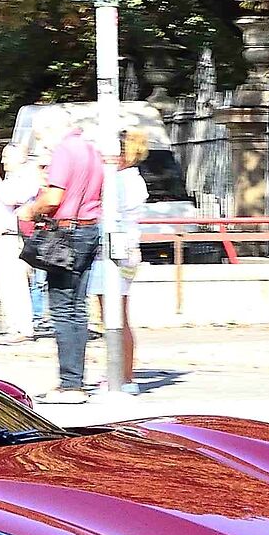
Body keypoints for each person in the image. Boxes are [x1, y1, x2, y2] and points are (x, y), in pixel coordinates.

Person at [20, 111, 105, 404]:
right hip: (90, 230)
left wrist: (29, 210)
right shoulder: (92, 150)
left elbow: (54, 198)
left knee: (62, 309)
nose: (44, 144)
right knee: (78, 308)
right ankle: (75, 380)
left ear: (52, 129)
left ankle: (70, 385)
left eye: (42, 137)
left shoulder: (65, 152)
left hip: (66, 234)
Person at [91, 128, 152, 375]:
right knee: (114, 316)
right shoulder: (132, 179)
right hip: (126, 248)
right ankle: (121, 373)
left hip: (116, 249)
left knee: (115, 317)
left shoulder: (121, 181)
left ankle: (123, 375)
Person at [0, 142, 41, 340]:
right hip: (1, 238)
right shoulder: (10, 180)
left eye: (7, 156)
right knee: (4, 286)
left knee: (16, 284)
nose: (3, 160)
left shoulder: (26, 178)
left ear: (21, 157)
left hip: (13, 237)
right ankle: (14, 326)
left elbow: (9, 197)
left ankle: (24, 328)